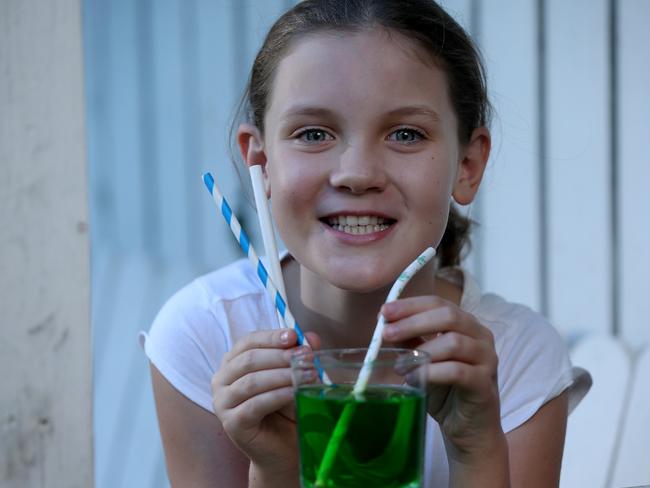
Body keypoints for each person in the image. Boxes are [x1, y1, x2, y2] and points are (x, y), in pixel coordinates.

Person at [142, 0, 589, 486]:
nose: (357, 174)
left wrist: (476, 447)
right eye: (313, 133)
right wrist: (276, 467)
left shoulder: (513, 357)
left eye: (405, 133)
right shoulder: (206, 336)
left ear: (468, 165)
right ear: (261, 163)